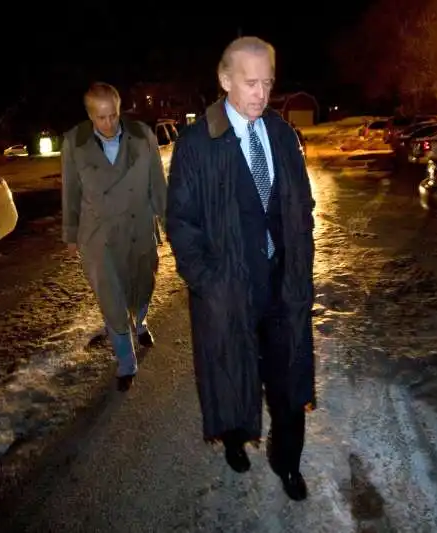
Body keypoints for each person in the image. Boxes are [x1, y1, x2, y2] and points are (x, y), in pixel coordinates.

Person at [166, 36, 316, 501]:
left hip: (282, 284)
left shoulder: (281, 134)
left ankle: (287, 461)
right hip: (227, 289)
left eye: (268, 82)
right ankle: (235, 437)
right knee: (232, 371)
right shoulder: (197, 144)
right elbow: (181, 223)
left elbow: (301, 203)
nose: (261, 93)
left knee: (289, 377)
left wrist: (301, 258)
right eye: (251, 82)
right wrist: (208, 282)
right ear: (225, 79)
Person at [61, 82, 167, 392]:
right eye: (101, 117)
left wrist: (170, 221)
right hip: (98, 235)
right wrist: (70, 234)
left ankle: (142, 321)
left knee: (143, 284)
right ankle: (126, 362)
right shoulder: (74, 142)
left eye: (114, 115)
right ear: (90, 115)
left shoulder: (142, 136)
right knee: (111, 299)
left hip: (138, 228)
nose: (109, 124)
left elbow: (158, 185)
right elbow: (70, 191)